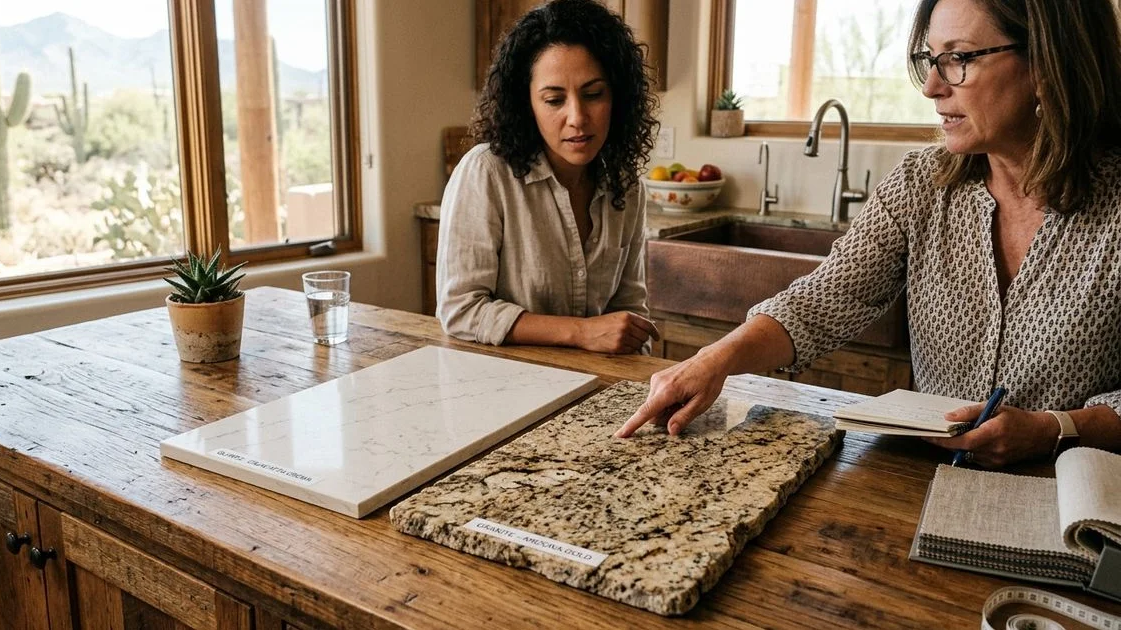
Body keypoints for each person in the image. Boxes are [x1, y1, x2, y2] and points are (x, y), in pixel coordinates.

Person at [616, 0, 1121, 468]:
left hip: (1075, 502)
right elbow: (827, 296)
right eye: (931, 60)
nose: (932, 87)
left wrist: (1057, 429)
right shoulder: (921, 183)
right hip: (925, 481)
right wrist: (715, 361)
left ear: (1048, 64)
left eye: (960, 58)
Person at [436, 0, 660, 355]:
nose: (578, 117)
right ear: (527, 106)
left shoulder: (626, 186)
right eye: (555, 100)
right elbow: (461, 310)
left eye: (593, 94)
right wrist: (582, 333)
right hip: (503, 386)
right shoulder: (486, 173)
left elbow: (629, 312)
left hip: (597, 387)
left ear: (618, 96)